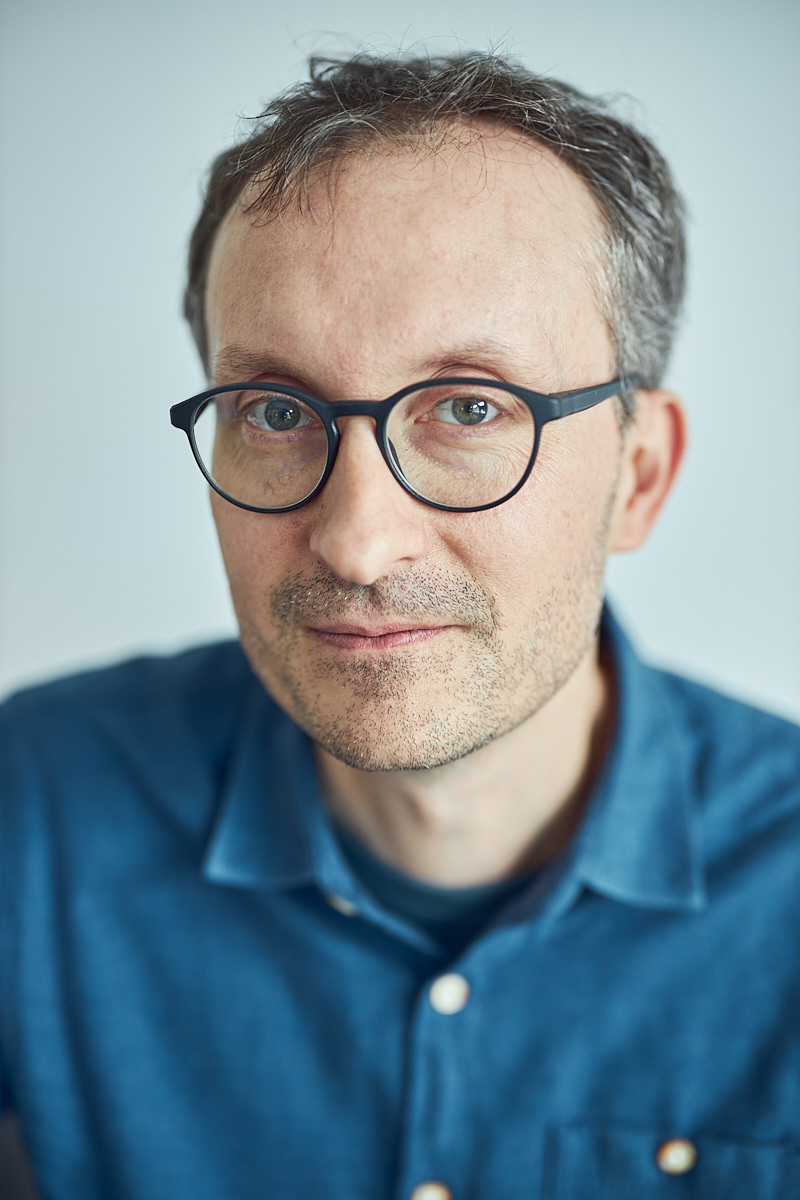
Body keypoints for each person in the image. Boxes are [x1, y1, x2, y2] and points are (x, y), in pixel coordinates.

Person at [1, 51, 798, 1200]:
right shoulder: (34, 809)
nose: (357, 543)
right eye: (274, 412)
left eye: (469, 407)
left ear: (637, 475)